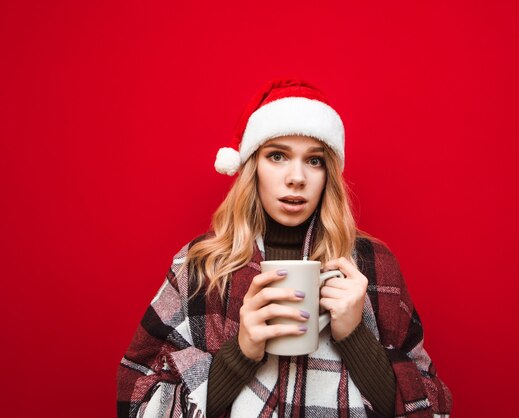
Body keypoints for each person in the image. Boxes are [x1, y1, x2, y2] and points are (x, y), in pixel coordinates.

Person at [117, 79, 452, 418]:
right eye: (277, 156)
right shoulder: (200, 266)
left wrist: (355, 337)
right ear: (253, 168)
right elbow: (137, 401)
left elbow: (433, 406)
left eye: (315, 160)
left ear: (329, 175)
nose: (296, 177)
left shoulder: (373, 265)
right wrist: (241, 353)